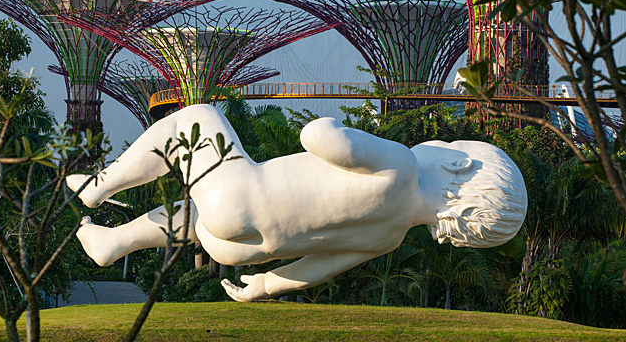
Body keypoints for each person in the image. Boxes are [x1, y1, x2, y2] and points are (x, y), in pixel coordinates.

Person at [67, 104, 526, 302]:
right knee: (198, 213)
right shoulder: (389, 238)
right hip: (242, 249)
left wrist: (331, 124)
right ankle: (116, 242)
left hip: (242, 199)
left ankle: (98, 187)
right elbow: (319, 268)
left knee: (196, 120)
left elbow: (318, 137)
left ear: (458, 167)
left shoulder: (403, 167)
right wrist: (266, 284)